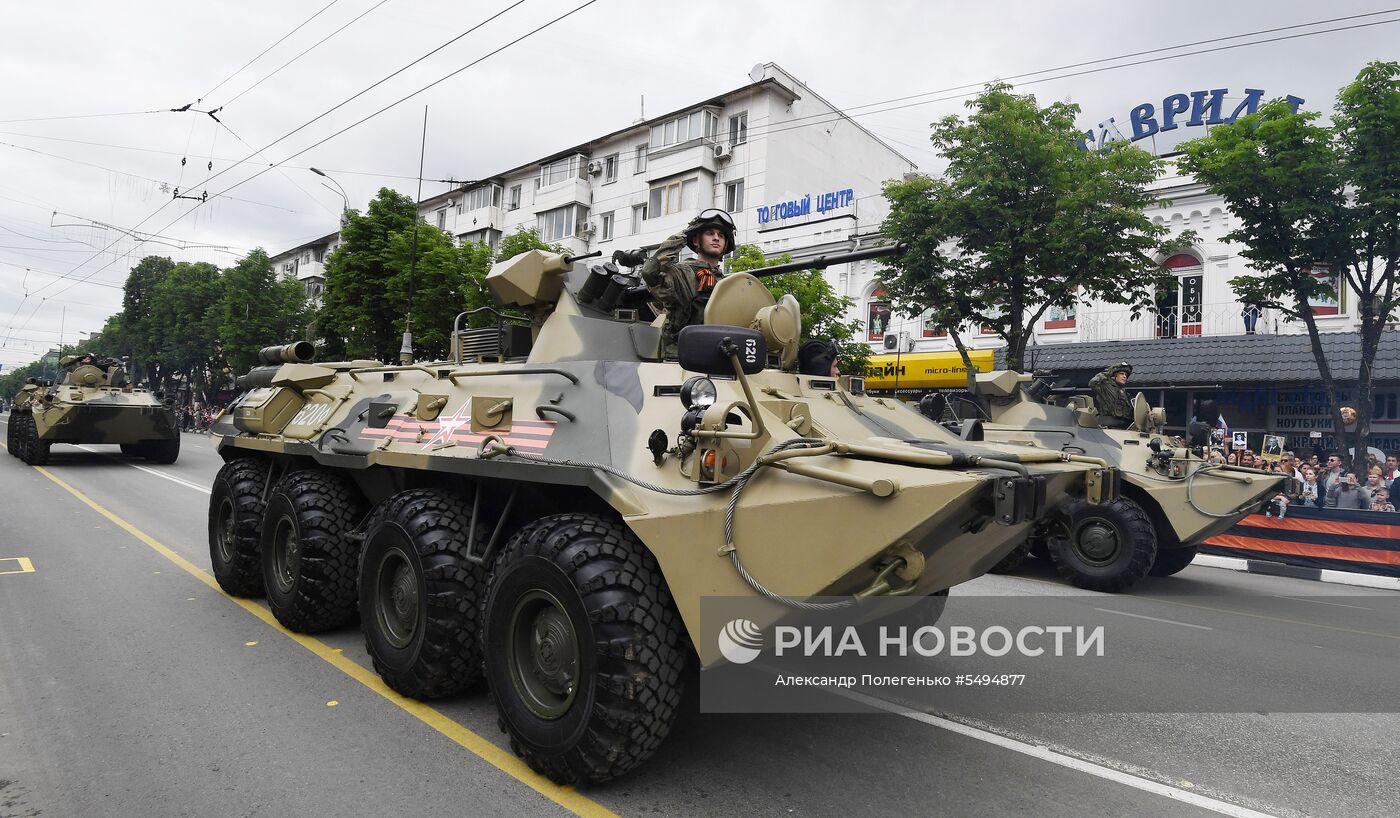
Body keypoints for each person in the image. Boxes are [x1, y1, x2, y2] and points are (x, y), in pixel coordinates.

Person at [632, 208, 736, 356]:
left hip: (719, 356)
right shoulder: (681, 274)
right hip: (682, 358)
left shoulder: (728, 283)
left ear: (726, 244)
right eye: (709, 233)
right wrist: (682, 237)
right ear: (696, 240)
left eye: (721, 235)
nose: (716, 238)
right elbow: (650, 273)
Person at [1089, 361, 1134, 428]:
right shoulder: (1105, 386)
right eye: (1121, 374)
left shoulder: (1126, 394)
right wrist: (1109, 371)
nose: (1124, 376)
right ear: (1114, 375)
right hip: (1109, 426)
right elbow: (1092, 383)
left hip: (1124, 427)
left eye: (1126, 375)